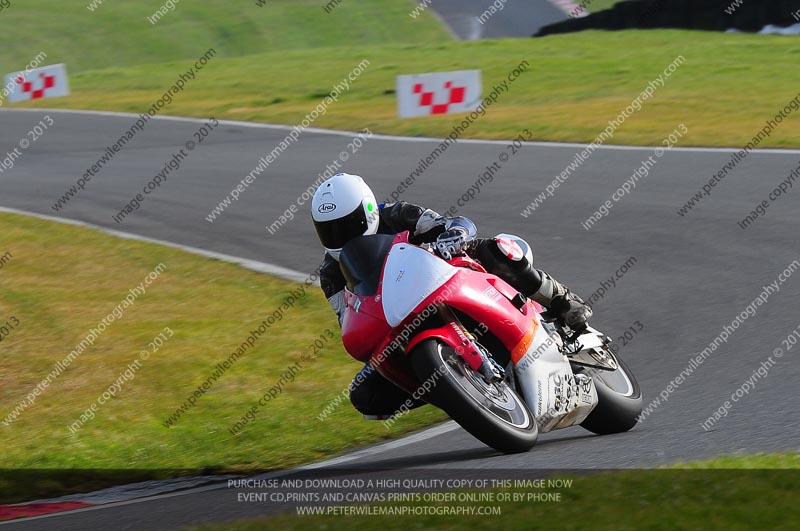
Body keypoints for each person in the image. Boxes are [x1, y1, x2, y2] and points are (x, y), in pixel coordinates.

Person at [311, 172, 592, 419]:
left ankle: (564, 302)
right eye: (329, 230)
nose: (340, 237)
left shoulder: (396, 215)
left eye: (347, 225)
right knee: (365, 395)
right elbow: (347, 316)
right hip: (398, 318)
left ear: (369, 211)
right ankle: (456, 389)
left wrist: (453, 234)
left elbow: (454, 223)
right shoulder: (330, 275)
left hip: (445, 276)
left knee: (496, 249)